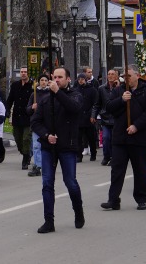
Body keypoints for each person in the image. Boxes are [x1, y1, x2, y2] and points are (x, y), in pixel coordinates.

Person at [31, 67, 85, 233]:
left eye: (60, 77)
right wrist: (46, 135)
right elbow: (35, 122)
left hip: (67, 146)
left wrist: (58, 93)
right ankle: (49, 221)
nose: (56, 79)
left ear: (68, 79)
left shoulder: (75, 95)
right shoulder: (46, 99)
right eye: (54, 77)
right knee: (47, 184)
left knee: (70, 182)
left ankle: (78, 211)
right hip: (49, 147)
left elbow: (75, 108)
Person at [101, 65, 146, 211]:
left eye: (129, 76)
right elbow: (108, 107)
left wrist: (136, 126)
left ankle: (141, 199)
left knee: (139, 169)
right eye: (124, 76)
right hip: (120, 136)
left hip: (139, 137)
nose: (126, 79)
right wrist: (121, 100)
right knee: (117, 170)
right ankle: (113, 199)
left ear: (137, 75)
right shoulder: (118, 90)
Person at [6, 67, 35, 170]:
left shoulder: (33, 86)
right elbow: (10, 99)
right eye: (22, 72)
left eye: (25, 72)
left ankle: (25, 159)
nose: (23, 74)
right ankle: (25, 153)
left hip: (28, 116)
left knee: (26, 138)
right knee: (18, 138)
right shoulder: (15, 85)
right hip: (17, 116)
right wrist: (7, 110)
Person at [93, 69, 119, 166]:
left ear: (116, 76)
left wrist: (118, 87)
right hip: (105, 117)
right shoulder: (101, 88)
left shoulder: (120, 88)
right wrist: (93, 115)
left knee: (114, 139)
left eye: (113, 74)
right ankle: (106, 156)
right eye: (109, 74)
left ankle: (114, 157)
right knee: (106, 137)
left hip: (116, 117)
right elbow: (97, 104)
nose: (111, 76)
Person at [26, 75, 49, 177]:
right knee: (36, 145)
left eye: (45, 80)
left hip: (47, 123)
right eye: (41, 80)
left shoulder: (51, 93)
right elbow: (27, 110)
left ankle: (47, 164)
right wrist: (32, 107)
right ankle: (38, 165)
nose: (43, 82)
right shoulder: (34, 94)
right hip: (36, 123)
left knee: (46, 146)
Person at [76, 73, 98, 162]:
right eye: (79, 79)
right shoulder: (76, 90)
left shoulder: (92, 90)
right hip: (79, 117)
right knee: (78, 138)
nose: (80, 81)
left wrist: (93, 115)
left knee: (91, 137)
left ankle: (93, 153)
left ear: (85, 79)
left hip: (89, 117)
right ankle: (79, 155)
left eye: (82, 79)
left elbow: (95, 103)